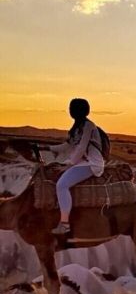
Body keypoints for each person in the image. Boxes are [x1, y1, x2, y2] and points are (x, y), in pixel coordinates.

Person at [42, 98, 105, 234]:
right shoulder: (77, 128)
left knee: (62, 185)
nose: (69, 111)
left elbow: (81, 147)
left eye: (72, 108)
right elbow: (67, 146)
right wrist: (46, 148)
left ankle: (65, 224)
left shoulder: (88, 126)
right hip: (82, 162)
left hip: (92, 163)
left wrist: (69, 165)